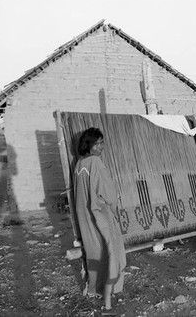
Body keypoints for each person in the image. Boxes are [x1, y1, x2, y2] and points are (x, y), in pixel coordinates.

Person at [73, 127, 126, 310]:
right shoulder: (95, 162)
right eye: (98, 143)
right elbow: (107, 191)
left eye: (102, 142)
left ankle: (95, 287)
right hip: (99, 215)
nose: (101, 147)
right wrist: (113, 207)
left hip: (84, 216)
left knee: (94, 251)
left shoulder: (80, 164)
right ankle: (109, 290)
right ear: (89, 145)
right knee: (112, 250)